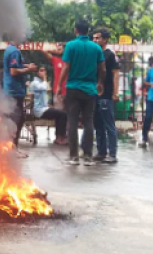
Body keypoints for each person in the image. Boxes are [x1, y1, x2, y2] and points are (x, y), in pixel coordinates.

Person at [59, 20, 104, 166]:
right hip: (90, 89)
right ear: (88, 31)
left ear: (76, 30)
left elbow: (66, 67)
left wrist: (60, 84)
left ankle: (73, 156)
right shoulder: (96, 48)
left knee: (72, 121)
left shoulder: (71, 45)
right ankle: (88, 157)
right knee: (88, 122)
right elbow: (102, 69)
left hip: (73, 88)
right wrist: (99, 83)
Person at [2, 36, 38, 158]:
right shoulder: (14, 51)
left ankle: (12, 147)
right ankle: (12, 148)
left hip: (12, 90)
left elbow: (16, 65)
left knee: (18, 118)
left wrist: (26, 65)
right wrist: (29, 69)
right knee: (16, 120)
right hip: (14, 91)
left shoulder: (10, 49)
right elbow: (13, 71)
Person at [92, 29, 119, 163]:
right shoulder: (94, 54)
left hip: (106, 94)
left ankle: (112, 154)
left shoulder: (109, 55)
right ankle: (101, 151)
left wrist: (115, 92)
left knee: (109, 124)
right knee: (98, 124)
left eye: (98, 38)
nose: (95, 40)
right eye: (94, 38)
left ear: (105, 40)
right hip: (94, 93)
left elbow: (115, 74)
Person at [29, 66, 68, 145]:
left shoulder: (40, 82)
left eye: (45, 70)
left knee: (61, 113)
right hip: (39, 110)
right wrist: (44, 78)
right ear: (37, 72)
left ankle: (59, 136)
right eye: (41, 70)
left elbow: (46, 87)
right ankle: (60, 137)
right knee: (62, 114)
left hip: (44, 108)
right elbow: (45, 87)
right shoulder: (35, 83)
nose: (44, 72)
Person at [42, 43, 67, 110]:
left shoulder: (70, 60)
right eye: (58, 46)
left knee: (69, 115)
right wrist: (56, 50)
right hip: (58, 91)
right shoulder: (55, 60)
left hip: (70, 91)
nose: (59, 47)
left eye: (61, 46)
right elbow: (44, 50)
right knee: (59, 113)